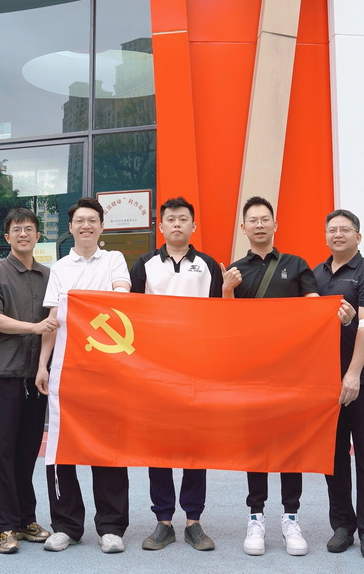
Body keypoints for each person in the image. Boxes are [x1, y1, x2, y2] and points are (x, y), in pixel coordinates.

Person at [223, 195, 322, 557]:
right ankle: (256, 517)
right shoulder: (234, 270)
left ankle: (291, 517)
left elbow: (314, 307)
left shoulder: (296, 265)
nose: (260, 224)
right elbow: (225, 324)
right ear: (243, 227)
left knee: (290, 445)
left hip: (291, 370)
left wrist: (330, 309)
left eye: (265, 219)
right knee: (257, 445)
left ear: (275, 225)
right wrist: (227, 289)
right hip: (252, 371)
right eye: (253, 220)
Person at [35, 197, 132, 554]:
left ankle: (111, 526)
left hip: (108, 368)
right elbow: (52, 320)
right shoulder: (60, 267)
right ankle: (66, 525)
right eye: (80, 221)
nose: (86, 226)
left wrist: (90, 303)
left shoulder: (114, 260)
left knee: (108, 447)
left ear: (102, 227)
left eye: (93, 220)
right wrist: (42, 364)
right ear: (71, 227)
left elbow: (122, 298)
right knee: (63, 446)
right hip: (67, 368)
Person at [129, 196, 225, 553]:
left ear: (193, 226)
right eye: (170, 219)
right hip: (156, 368)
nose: (176, 224)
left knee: (195, 445)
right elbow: (133, 315)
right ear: (161, 226)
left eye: (183, 219)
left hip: (197, 366)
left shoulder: (208, 265)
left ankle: (194, 521)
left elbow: (218, 316)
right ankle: (164, 520)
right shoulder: (144, 264)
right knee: (160, 445)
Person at [313, 209, 364, 561]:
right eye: (332, 229)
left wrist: (354, 373)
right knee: (334, 455)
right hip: (325, 380)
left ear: (358, 237)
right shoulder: (316, 274)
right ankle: (342, 524)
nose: (338, 234)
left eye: (345, 229)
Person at [0, 208, 56, 554]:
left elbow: (57, 320)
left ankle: (26, 519)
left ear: (38, 236)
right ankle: (4, 526)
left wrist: (44, 364)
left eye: (29, 229)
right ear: (7, 237)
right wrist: (33, 327)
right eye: (17, 229)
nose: (23, 234)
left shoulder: (49, 275)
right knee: (3, 452)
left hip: (36, 375)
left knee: (27, 452)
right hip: (6, 374)